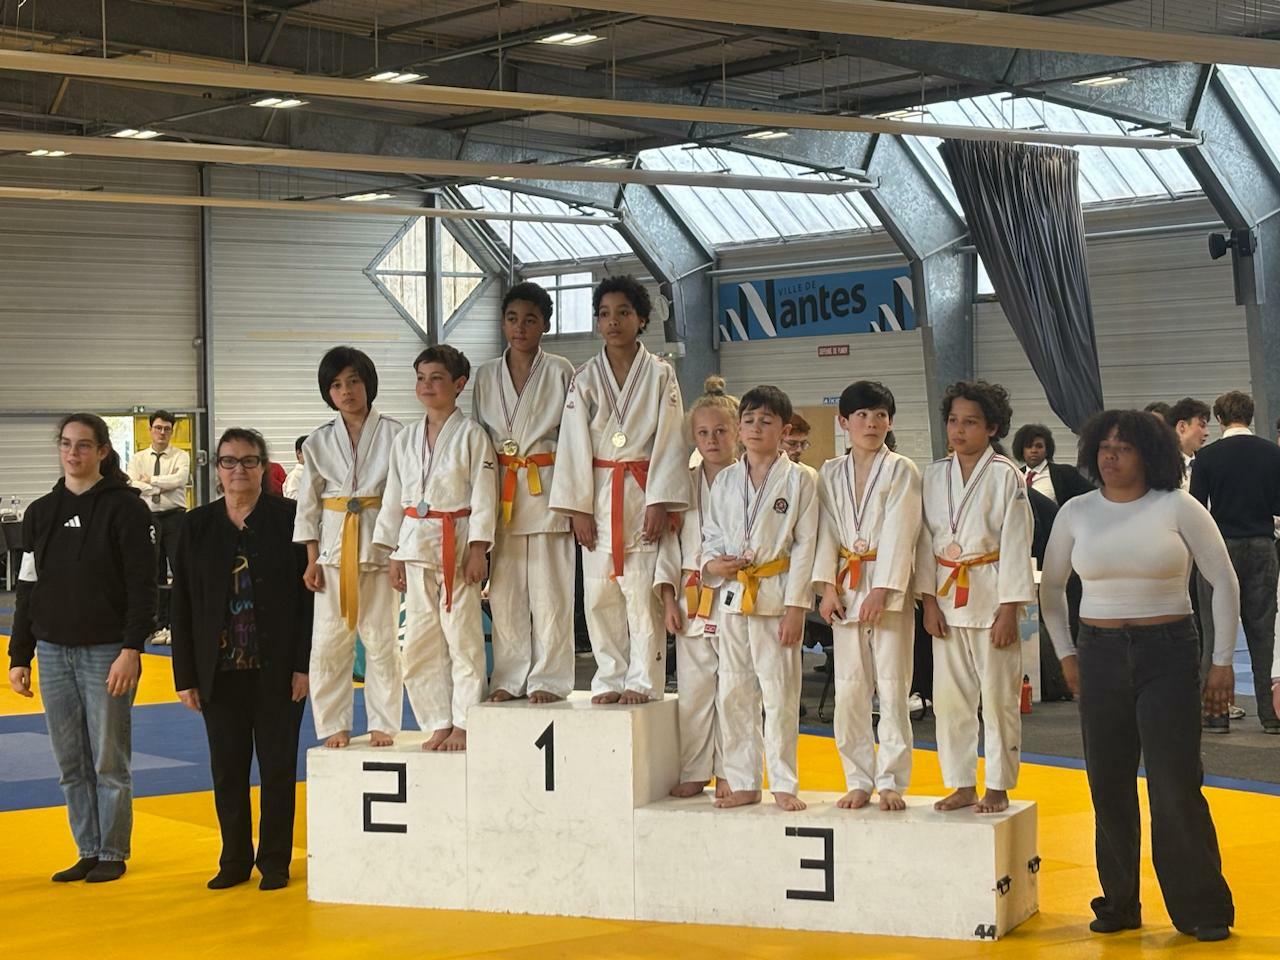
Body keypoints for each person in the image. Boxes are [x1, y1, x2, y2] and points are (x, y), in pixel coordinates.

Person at [1041, 409, 1236, 942]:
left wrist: (1221, 661)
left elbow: (1224, 580)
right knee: (1107, 783)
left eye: (1124, 448)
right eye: (1104, 447)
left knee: (1175, 784)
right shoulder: (1076, 512)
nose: (1111, 456)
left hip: (1168, 654)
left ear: (1149, 455)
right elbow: (1051, 588)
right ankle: (1119, 902)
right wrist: (1066, 654)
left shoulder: (1178, 506)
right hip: (1098, 654)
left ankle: (1201, 908)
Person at [7, 413, 156, 883]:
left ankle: (112, 850)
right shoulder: (40, 512)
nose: (73, 453)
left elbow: (143, 585)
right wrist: (19, 655)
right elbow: (27, 588)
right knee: (70, 761)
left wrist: (132, 648)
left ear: (102, 451)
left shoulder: (126, 509)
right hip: (52, 651)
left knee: (109, 759)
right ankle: (87, 848)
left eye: (84, 445)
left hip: (106, 651)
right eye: (67, 444)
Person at [170, 429, 312, 891]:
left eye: (249, 461)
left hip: (278, 670)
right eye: (229, 461)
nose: (239, 470)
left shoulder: (290, 519)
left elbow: (307, 600)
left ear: (263, 467)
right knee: (227, 770)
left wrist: (304, 665)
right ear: (217, 469)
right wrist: (185, 675)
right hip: (219, 672)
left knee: (277, 769)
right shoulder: (196, 525)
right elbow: (182, 603)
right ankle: (233, 859)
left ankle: (274, 861)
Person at [550, 275, 690, 704]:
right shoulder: (584, 377)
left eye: (623, 312)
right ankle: (610, 677)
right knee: (598, 595)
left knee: (642, 595)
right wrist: (577, 508)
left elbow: (671, 439)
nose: (613, 321)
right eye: (604, 314)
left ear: (642, 319)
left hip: (642, 494)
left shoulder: (661, 374)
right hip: (598, 495)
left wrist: (660, 500)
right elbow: (572, 444)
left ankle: (643, 680)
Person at [917, 380, 1034, 814]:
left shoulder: (1006, 475)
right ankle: (962, 783)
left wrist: (1010, 610)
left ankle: (998, 785)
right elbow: (923, 540)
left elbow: (1018, 543)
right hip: (947, 599)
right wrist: (928, 601)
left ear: (992, 428)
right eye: (953, 421)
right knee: (951, 701)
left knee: (999, 699)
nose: (959, 430)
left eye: (970, 422)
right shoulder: (933, 475)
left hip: (990, 598)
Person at [701, 385, 818, 812]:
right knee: (734, 691)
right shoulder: (726, 479)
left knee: (780, 692)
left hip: (776, 597)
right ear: (739, 427)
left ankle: (784, 782)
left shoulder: (802, 479)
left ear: (784, 430)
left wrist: (796, 608)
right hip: (734, 597)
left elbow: (806, 546)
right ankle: (744, 780)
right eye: (748, 420)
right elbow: (712, 533)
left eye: (766, 421)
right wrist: (713, 563)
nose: (755, 428)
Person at [373, 345, 496, 751]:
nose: (426, 386)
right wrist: (392, 552)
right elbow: (394, 498)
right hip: (414, 546)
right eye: (421, 378)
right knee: (420, 643)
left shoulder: (473, 435)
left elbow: (484, 494)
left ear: (459, 384)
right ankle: (438, 720)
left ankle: (464, 721)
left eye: (436, 378)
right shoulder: (405, 438)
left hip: (456, 544)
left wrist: (478, 548)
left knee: (463, 638)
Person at [814, 381, 922, 812]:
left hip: (886, 586)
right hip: (844, 583)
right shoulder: (829, 472)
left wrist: (882, 589)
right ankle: (858, 779)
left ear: (890, 422)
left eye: (880, 415)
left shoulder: (901, 470)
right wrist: (825, 587)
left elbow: (902, 530)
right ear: (843, 421)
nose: (871, 423)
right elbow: (824, 530)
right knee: (849, 690)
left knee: (893, 687)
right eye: (861, 415)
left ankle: (891, 780)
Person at [471, 282, 576, 703]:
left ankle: (550, 677)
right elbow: (479, 441)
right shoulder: (485, 375)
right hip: (502, 493)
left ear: (545, 325)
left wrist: (575, 502)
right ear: (502, 323)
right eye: (513, 319)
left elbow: (574, 440)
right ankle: (509, 676)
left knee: (552, 594)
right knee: (505, 594)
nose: (520, 328)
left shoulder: (561, 370)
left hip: (548, 490)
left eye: (530, 320)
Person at [294, 346, 404, 749]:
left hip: (380, 548)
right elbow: (308, 505)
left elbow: (404, 497)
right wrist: (311, 559)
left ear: (368, 383)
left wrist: (399, 554)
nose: (346, 391)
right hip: (333, 555)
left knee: (382, 641)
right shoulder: (318, 442)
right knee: (328, 644)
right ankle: (333, 724)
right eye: (337, 385)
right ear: (328, 392)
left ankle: (383, 723)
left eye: (354, 381)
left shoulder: (397, 434)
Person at [656, 377, 739, 798]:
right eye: (703, 432)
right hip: (691, 593)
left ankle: (732, 772)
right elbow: (667, 546)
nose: (712, 440)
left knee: (735, 689)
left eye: (721, 431)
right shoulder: (682, 484)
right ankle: (694, 769)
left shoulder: (750, 482)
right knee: (693, 690)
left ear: (737, 431)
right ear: (692, 436)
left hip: (738, 593)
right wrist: (668, 598)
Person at [1190, 390, 1280, 734]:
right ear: (1251, 416)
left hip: (1220, 548)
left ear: (1219, 419)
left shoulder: (1206, 457)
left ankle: (1216, 713)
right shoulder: (1272, 453)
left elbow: (1197, 507)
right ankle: (1270, 715)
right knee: (1262, 632)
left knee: (1215, 632)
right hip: (1261, 546)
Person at [125, 409, 189, 645]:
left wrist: (150, 481)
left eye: (167, 429)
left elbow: (179, 480)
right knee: (154, 571)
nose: (162, 432)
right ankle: (158, 624)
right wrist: (161, 485)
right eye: (158, 428)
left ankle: (176, 624)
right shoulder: (138, 458)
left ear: (172, 431)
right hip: (149, 518)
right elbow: (132, 484)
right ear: (150, 429)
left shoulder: (181, 456)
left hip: (175, 517)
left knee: (179, 569)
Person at [1010, 423, 1093, 505]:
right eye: (1029, 446)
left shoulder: (1065, 473)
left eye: (1039, 446)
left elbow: (1092, 495)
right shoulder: (1015, 476)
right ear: (1021, 450)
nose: (1034, 450)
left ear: (1047, 450)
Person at [1164, 398, 1211, 491]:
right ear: (1182, 427)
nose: (1207, 433)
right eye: (1202, 425)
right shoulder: (1163, 466)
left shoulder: (1206, 462)